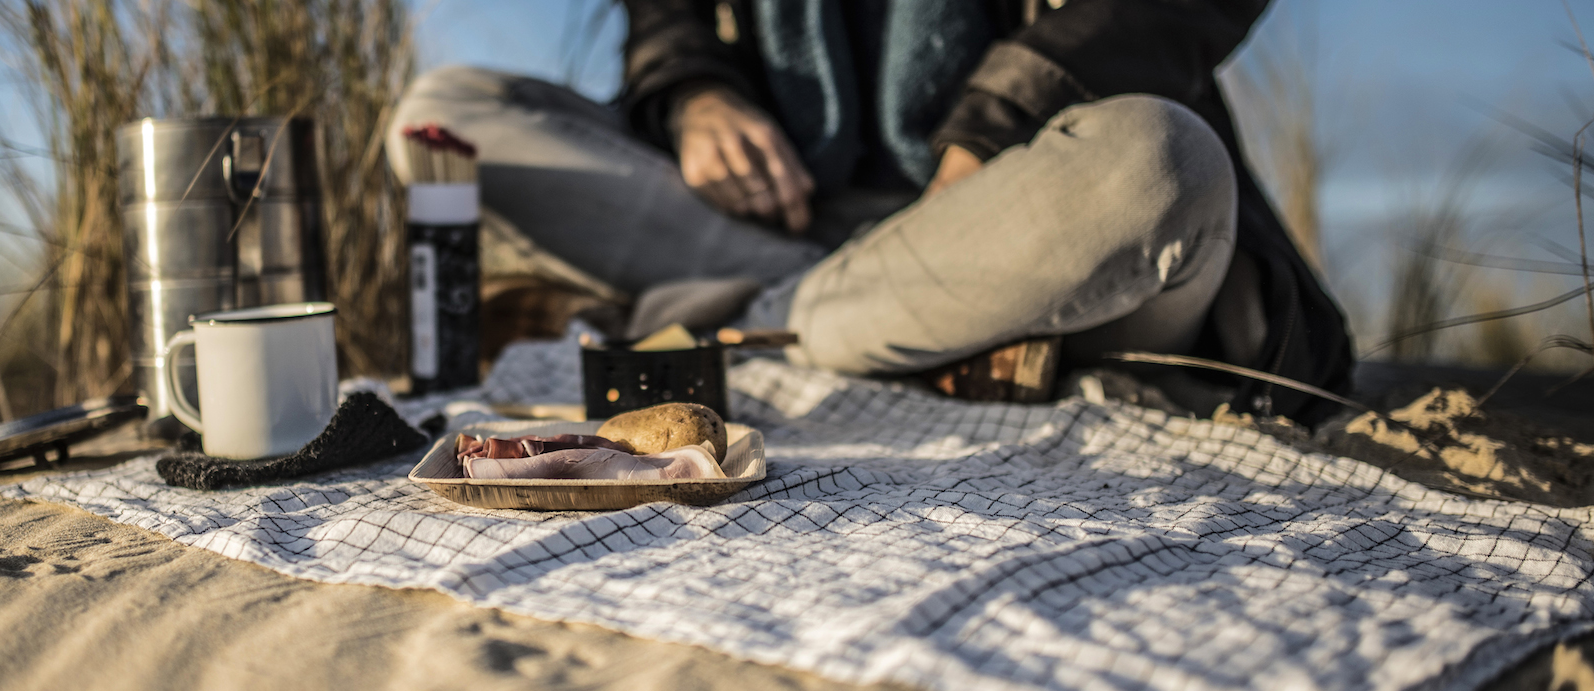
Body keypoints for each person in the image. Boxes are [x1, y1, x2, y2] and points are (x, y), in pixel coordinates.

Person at [387, 0, 1354, 425]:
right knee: (446, 119)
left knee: (1160, 163)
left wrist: (998, 127)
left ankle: (768, 322)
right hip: (778, 226)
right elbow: (667, 14)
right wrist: (692, 94)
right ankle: (861, 320)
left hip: (1017, 231)